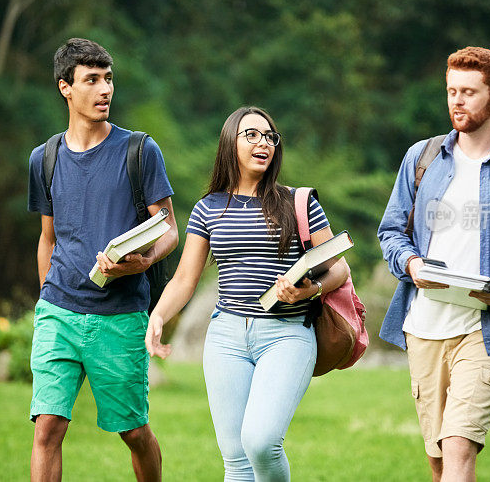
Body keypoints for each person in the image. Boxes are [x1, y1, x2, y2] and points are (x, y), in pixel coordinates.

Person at [377, 46, 490, 481]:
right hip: (423, 326)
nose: (457, 102)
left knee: (460, 450)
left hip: (485, 329)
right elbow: (390, 232)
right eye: (451, 91)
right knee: (440, 462)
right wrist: (410, 264)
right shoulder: (420, 158)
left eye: (469, 92)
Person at [145, 106, 348, 481]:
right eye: (251, 135)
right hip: (226, 338)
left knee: (261, 442)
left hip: (286, 334)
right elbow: (184, 280)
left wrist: (308, 291)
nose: (263, 143)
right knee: (236, 460)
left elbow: (339, 269)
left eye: (270, 136)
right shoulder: (209, 208)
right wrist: (157, 316)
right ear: (229, 144)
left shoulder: (298, 202)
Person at [27, 38, 178, 482]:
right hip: (58, 312)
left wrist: (142, 261)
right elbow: (47, 239)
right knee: (48, 427)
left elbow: (169, 228)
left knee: (134, 431)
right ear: (65, 88)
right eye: (91, 80)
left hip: (120, 316)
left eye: (108, 79)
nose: (104, 89)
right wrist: (44, 304)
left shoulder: (139, 151)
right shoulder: (45, 158)